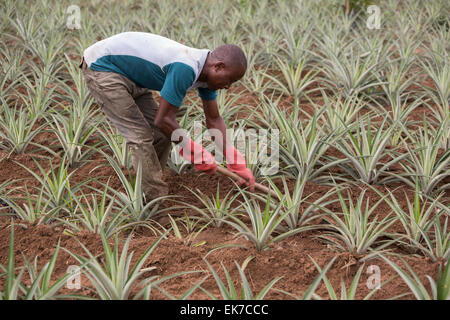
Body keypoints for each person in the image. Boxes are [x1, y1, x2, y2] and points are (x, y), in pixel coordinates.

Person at [80, 32, 255, 205]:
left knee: (163, 134)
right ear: (218, 67)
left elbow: (214, 119)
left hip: (131, 73)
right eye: (229, 80)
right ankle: (153, 201)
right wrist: (193, 150)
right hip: (102, 67)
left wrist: (235, 161)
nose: (227, 86)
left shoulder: (206, 74)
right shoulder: (186, 67)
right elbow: (163, 119)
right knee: (140, 136)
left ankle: (145, 182)